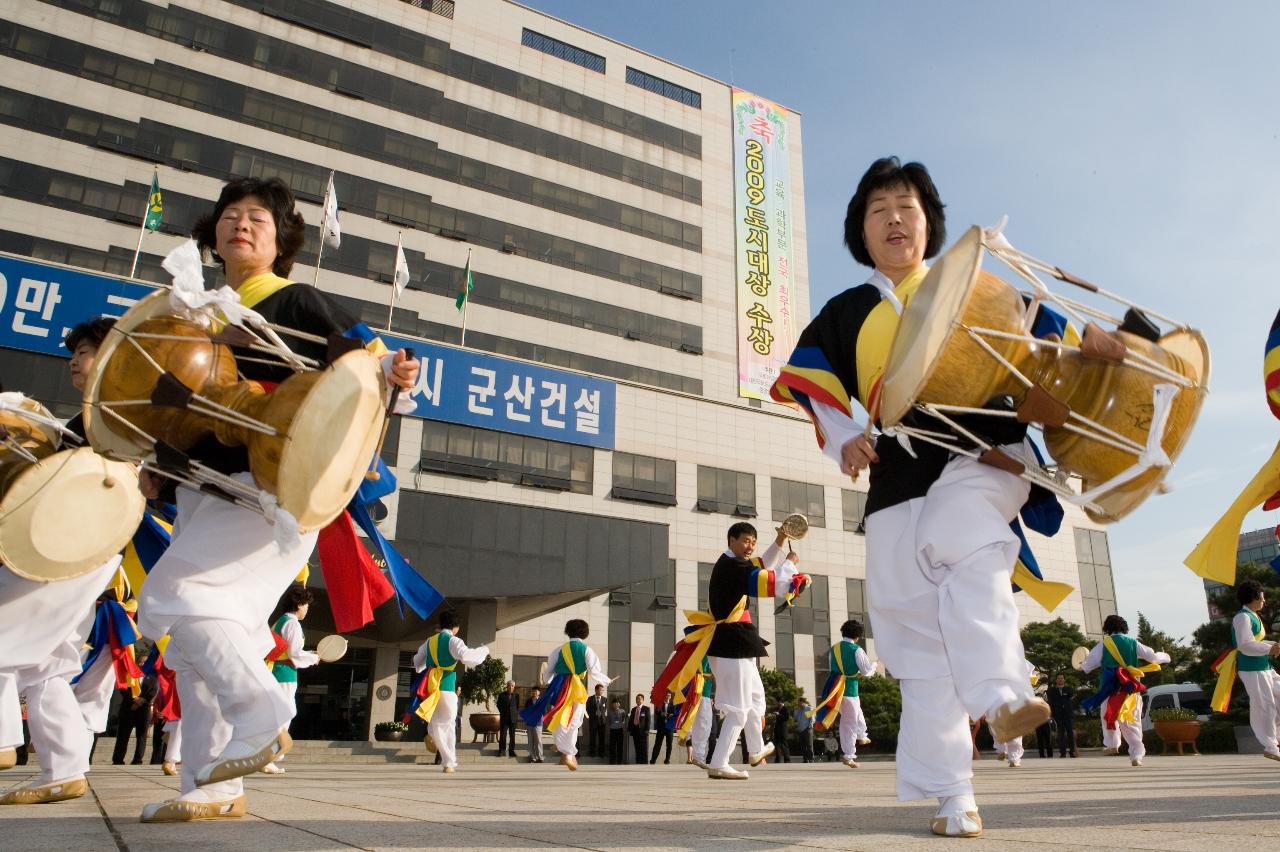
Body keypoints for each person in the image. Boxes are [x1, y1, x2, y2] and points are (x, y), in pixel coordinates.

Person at [771, 157, 1061, 837]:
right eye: (879, 211)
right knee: (915, 637)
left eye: (907, 206)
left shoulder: (974, 286)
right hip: (897, 474)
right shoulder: (846, 311)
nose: (895, 219)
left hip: (983, 449)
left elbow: (1052, 336)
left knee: (967, 534)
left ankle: (1003, 694)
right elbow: (811, 384)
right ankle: (953, 796)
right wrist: (844, 437)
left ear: (930, 223)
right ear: (860, 234)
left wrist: (1096, 347)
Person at [134, 177, 420, 822]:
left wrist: (397, 373)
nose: (241, 224)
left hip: (271, 486)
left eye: (257, 218)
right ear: (212, 234)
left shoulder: (293, 299)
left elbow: (372, 369)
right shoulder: (193, 312)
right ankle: (212, 786)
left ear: (281, 238)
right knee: (198, 644)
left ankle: (265, 711)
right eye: (230, 215)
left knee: (172, 599)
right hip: (208, 491)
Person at [700, 522, 802, 780]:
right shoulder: (733, 566)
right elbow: (770, 583)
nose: (750, 547)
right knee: (738, 709)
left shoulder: (733, 563)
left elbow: (762, 566)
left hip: (735, 641)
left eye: (753, 542)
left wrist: (780, 539)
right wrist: (790, 564)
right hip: (731, 642)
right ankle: (719, 762)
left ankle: (756, 750)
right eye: (746, 541)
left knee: (756, 697)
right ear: (731, 540)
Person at [1081, 615, 1170, 767]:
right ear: (1124, 628)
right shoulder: (1133, 643)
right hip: (1130, 689)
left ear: (1107, 628)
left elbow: (1088, 665)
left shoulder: (1104, 644)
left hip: (1110, 689)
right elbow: (1153, 657)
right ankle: (1136, 755)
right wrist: (1165, 656)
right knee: (1132, 721)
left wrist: (1082, 664)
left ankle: (1112, 743)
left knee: (1108, 715)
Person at [522, 619, 611, 771]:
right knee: (575, 719)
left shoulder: (559, 650)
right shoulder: (587, 650)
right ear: (585, 633)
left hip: (559, 686)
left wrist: (548, 681)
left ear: (568, 631)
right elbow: (594, 671)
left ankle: (562, 747)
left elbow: (548, 671)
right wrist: (606, 680)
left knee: (560, 715)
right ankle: (568, 753)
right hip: (577, 687)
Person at [407, 610, 488, 774]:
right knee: (448, 722)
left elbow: (417, 661)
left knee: (437, 720)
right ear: (455, 627)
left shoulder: (430, 641)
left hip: (430, 685)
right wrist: (484, 650)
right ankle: (448, 761)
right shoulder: (453, 640)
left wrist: (425, 667)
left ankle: (434, 737)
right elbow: (467, 657)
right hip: (446, 685)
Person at [1210, 580, 1280, 760]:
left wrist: (1272, 646)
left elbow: (1253, 642)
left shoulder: (1252, 615)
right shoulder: (1242, 617)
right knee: (1264, 706)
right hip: (1251, 668)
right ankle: (1271, 746)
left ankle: (1275, 739)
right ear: (1254, 598)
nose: (1264, 601)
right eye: (1262, 598)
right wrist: (1270, 648)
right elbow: (1244, 645)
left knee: (1275, 699)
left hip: (1264, 666)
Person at [261, 585, 320, 775]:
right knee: (285, 712)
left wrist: (311, 655)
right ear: (299, 605)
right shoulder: (293, 623)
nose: (307, 609)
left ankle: (269, 755)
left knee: (280, 713)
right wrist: (314, 658)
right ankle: (269, 756)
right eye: (306, 605)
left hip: (275, 670)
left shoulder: (280, 621)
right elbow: (294, 654)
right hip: (284, 672)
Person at [813, 619, 878, 768]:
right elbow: (866, 671)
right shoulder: (857, 650)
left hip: (834, 688)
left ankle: (862, 735)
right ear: (858, 636)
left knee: (856, 713)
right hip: (849, 689)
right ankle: (849, 755)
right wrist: (874, 665)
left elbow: (834, 669)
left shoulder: (834, 648)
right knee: (849, 721)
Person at [112, 674, 158, 765]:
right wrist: (134, 699)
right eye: (140, 662)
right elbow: (123, 688)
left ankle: (137, 760)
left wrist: (142, 700)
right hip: (128, 709)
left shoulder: (152, 677)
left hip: (143, 711)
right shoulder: (129, 676)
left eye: (144, 662)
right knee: (122, 736)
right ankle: (118, 759)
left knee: (141, 736)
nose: (142, 664)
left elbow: (153, 691)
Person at [1047, 674, 1078, 757]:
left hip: (1068, 715)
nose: (1060, 680)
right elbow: (1050, 703)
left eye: (1062, 678)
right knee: (1060, 734)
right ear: (1056, 680)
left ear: (1064, 680)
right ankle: (1062, 752)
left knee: (1070, 734)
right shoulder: (1052, 691)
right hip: (1058, 716)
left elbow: (1071, 697)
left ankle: (1072, 752)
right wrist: (1051, 715)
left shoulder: (1069, 689)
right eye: (1058, 678)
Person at [496, 681, 520, 758]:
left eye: (512, 686)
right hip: (504, 718)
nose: (510, 687)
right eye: (509, 686)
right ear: (507, 686)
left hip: (513, 719)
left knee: (512, 735)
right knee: (503, 735)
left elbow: (517, 706)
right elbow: (498, 705)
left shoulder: (516, 695)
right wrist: (503, 712)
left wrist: (514, 714)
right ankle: (502, 750)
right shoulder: (501, 695)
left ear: (514, 687)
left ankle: (511, 751)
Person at [650, 695, 675, 764]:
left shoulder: (673, 704)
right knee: (658, 743)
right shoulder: (660, 703)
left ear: (670, 696)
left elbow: (675, 713)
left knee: (669, 744)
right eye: (666, 695)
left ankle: (667, 759)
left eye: (669, 695)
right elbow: (657, 712)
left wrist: (671, 715)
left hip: (669, 727)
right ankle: (653, 759)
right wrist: (662, 714)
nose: (667, 696)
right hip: (661, 727)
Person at [585, 684, 609, 758]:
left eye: (602, 690)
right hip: (593, 721)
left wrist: (600, 713)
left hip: (602, 722)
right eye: (600, 690)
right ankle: (592, 752)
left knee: (602, 737)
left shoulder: (605, 699)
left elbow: (604, 709)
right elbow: (587, 709)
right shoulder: (589, 699)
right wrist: (594, 713)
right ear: (596, 690)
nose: (602, 691)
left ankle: (601, 753)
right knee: (592, 737)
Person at [627, 693, 650, 765]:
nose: (638, 700)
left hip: (643, 732)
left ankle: (644, 763)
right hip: (635, 731)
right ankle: (638, 762)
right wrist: (629, 729)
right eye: (637, 699)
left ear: (643, 700)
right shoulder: (633, 709)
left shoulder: (646, 709)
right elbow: (631, 720)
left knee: (643, 748)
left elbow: (648, 720)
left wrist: (647, 730)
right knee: (637, 747)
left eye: (640, 699)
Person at [524, 687, 544, 763]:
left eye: (536, 691)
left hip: (538, 723)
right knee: (530, 740)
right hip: (530, 723)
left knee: (538, 740)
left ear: (539, 692)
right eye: (533, 691)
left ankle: (540, 756)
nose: (534, 693)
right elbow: (526, 711)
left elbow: (544, 711)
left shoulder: (541, 701)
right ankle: (532, 757)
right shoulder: (528, 701)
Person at [607, 698, 626, 765]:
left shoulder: (623, 711)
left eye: (617, 703)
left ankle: (619, 762)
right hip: (612, 730)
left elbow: (624, 720)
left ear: (619, 704)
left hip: (620, 730)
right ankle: (612, 762)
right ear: (612, 704)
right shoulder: (609, 712)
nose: (616, 704)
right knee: (612, 746)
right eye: (614, 703)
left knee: (620, 746)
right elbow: (608, 721)